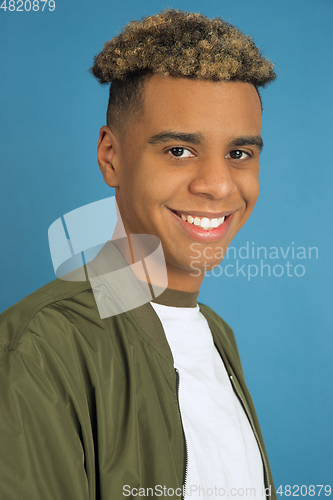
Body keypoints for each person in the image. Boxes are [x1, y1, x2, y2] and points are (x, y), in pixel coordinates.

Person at [0, 9, 277, 500]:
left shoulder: (216, 335)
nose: (217, 185)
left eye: (239, 153)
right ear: (111, 156)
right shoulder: (38, 346)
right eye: (178, 150)